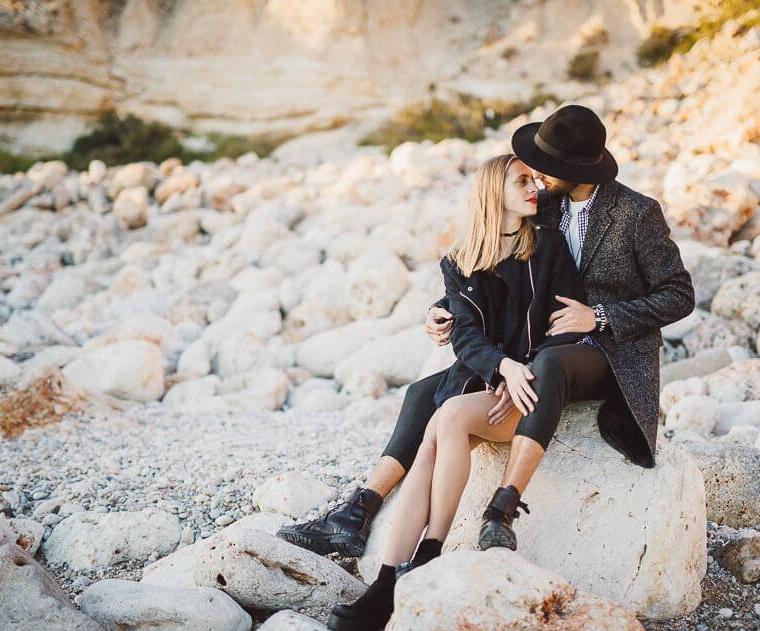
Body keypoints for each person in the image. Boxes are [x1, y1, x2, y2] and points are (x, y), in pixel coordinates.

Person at [278, 104, 694, 556]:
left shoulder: (636, 213)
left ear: (578, 169)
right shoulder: (544, 203)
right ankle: (358, 509)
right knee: (422, 392)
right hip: (535, 343)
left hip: (608, 351)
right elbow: (499, 268)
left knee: (548, 365)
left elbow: (679, 294)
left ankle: (502, 509)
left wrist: (599, 316)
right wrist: (446, 309)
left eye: (547, 167)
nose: (536, 175)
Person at [326, 153, 586, 631]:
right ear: (493, 193)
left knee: (446, 417)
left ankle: (428, 554)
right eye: (522, 181)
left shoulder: (549, 246)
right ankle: (388, 581)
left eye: (533, 180)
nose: (534, 188)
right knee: (432, 434)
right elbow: (465, 336)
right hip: (486, 383)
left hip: (533, 392)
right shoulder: (460, 262)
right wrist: (500, 367)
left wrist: (524, 371)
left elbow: (565, 326)